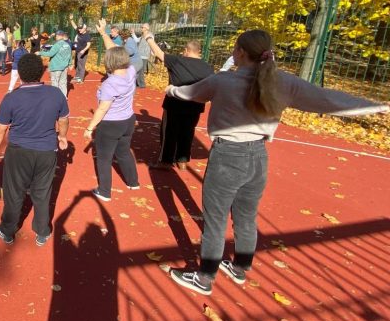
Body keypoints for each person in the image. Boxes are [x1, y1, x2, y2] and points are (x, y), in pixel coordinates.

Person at [165, 30, 388, 296]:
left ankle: (204, 278)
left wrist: (171, 89)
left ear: (240, 53)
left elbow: (191, 93)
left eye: (235, 49)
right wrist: (375, 106)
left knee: (215, 220)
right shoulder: (282, 82)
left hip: (227, 156)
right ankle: (240, 267)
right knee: (246, 216)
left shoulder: (223, 81)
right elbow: (326, 99)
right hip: (258, 157)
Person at [0, 53, 70, 246]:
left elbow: (0, 128)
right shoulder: (56, 93)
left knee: (14, 192)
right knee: (42, 192)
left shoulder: (11, 98)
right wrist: (62, 136)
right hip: (46, 151)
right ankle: (42, 231)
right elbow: (64, 120)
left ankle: (8, 230)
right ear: (42, 72)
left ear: (20, 74)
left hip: (19, 152)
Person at [83, 20, 140, 201]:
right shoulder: (130, 71)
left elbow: (102, 109)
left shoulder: (110, 84)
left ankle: (104, 191)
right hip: (128, 120)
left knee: (104, 158)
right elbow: (115, 51)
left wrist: (90, 128)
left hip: (111, 124)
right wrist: (103, 33)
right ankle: (133, 182)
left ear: (110, 63)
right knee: (124, 151)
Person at [144, 36, 214, 170]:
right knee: (187, 132)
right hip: (195, 105)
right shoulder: (208, 67)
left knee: (169, 132)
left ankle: (166, 160)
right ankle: (182, 160)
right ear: (199, 51)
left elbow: (158, 53)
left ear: (186, 50)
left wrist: (148, 37)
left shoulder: (177, 60)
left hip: (174, 104)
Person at [41, 30, 72, 98]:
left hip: (56, 67)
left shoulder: (57, 45)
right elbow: (70, 55)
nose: (56, 37)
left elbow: (50, 54)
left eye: (57, 36)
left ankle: (55, 97)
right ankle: (64, 97)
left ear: (59, 36)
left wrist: (40, 53)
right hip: (64, 67)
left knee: (55, 83)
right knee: (63, 83)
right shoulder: (67, 45)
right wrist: (70, 64)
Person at [69, 15, 91, 83]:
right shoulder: (79, 32)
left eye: (81, 29)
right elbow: (74, 26)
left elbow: (89, 44)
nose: (79, 30)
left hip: (83, 52)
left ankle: (80, 79)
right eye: (79, 29)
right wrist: (71, 19)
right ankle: (77, 76)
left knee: (81, 65)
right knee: (76, 64)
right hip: (77, 51)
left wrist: (83, 50)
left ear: (85, 28)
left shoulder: (87, 35)